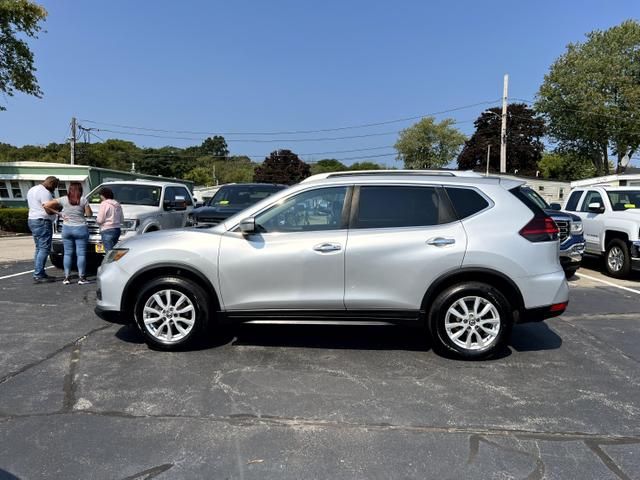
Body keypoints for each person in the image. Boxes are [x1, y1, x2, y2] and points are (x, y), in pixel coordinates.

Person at [44, 182, 92, 285]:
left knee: (67, 254)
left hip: (67, 229)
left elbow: (46, 205)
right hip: (81, 229)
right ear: (80, 190)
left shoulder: (63, 199)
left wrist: (60, 214)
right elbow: (89, 214)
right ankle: (82, 278)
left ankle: (66, 278)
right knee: (81, 254)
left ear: (69, 189)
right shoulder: (83, 200)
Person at [27, 176, 59, 283]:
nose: (54, 189)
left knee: (38, 248)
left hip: (32, 220)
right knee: (44, 249)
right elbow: (48, 209)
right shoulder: (45, 192)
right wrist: (58, 209)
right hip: (42, 221)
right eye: (55, 186)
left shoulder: (32, 189)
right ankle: (39, 274)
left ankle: (39, 272)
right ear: (51, 183)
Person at [95, 186, 123, 252]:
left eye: (100, 195)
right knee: (114, 252)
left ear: (103, 195)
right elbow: (122, 219)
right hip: (117, 229)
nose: (100, 197)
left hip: (107, 230)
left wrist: (96, 221)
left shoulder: (104, 204)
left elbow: (100, 220)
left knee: (108, 253)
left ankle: (110, 263)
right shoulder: (117, 204)